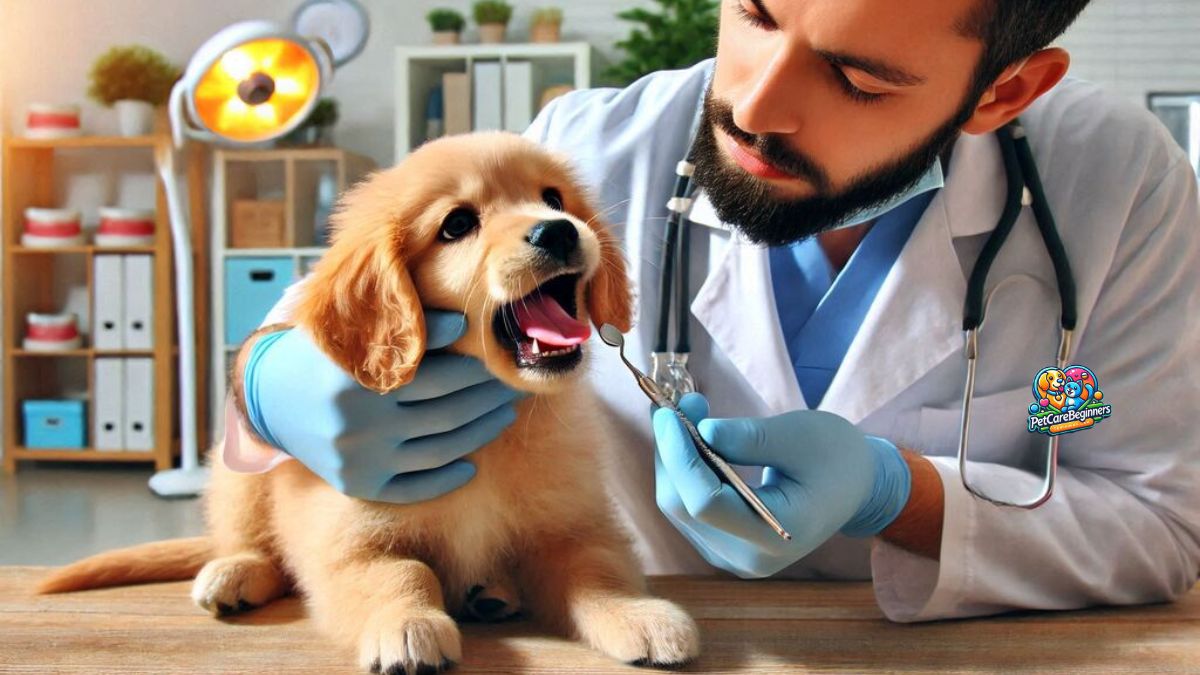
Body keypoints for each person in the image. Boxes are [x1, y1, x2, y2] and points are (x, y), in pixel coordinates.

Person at [237, 0, 1200, 622]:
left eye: (858, 79)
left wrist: (894, 493)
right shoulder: (597, 148)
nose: (756, 105)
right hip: (643, 627)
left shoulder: (1110, 188)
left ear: (1005, 91)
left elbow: (1157, 520)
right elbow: (309, 330)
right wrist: (272, 386)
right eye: (754, 13)